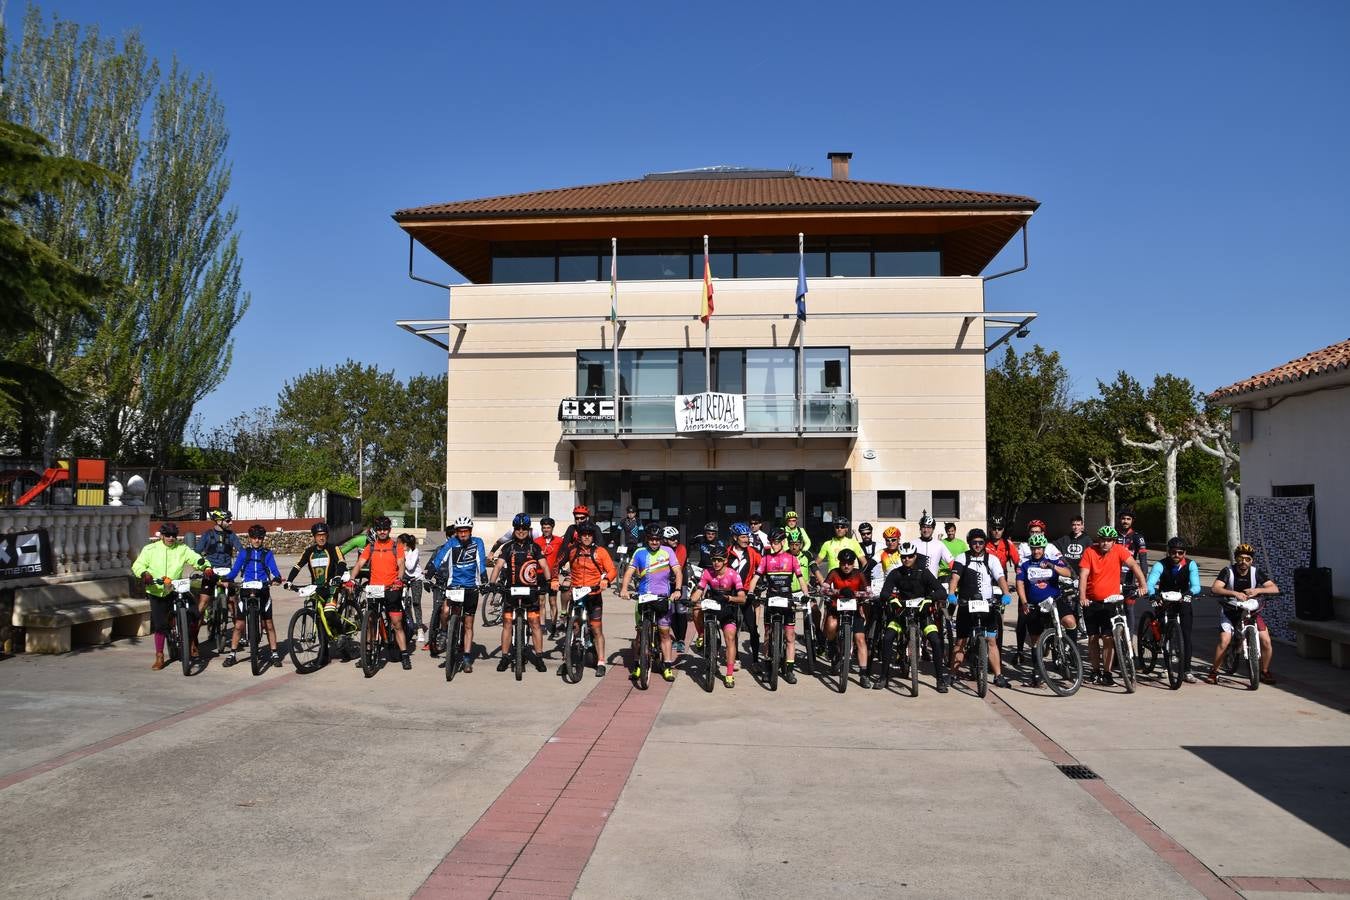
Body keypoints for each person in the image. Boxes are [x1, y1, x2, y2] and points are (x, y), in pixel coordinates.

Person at [131, 522, 213, 670]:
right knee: (160, 625)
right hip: (157, 591)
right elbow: (138, 565)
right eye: (167, 535)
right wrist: (145, 574)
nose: (170, 538)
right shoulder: (150, 549)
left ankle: (192, 640)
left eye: (173, 535)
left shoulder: (182, 548)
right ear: (161, 535)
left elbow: (196, 558)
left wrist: (206, 566)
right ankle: (160, 656)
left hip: (177, 588)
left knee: (194, 613)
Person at [1078, 525, 1149, 686]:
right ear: (1098, 540)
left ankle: (1107, 672)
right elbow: (1083, 575)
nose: (1105, 543)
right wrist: (1082, 596)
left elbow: (1134, 566)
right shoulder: (1090, 551)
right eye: (1102, 540)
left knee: (1108, 638)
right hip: (1091, 601)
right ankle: (1095, 671)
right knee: (1093, 638)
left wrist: (1143, 585)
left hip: (1111, 601)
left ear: (1113, 541)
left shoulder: (1119, 550)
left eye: (1109, 540)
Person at [876, 540, 949, 692]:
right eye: (903, 557)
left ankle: (940, 679)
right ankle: (883, 677)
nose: (906, 559)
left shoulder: (924, 572)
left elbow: (942, 591)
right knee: (888, 638)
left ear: (915, 556)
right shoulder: (896, 573)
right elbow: (884, 592)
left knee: (935, 640)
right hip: (901, 615)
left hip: (923, 615)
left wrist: (930, 599)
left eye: (910, 556)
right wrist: (891, 599)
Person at [344, 516, 412, 670]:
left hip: (392, 588)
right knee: (370, 623)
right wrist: (351, 579)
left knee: (396, 623)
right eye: (379, 529)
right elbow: (359, 563)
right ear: (376, 530)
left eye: (385, 529)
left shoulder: (396, 546)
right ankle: (367, 654)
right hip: (374, 589)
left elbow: (401, 564)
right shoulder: (371, 547)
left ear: (389, 530)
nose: (382, 532)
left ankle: (405, 655)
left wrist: (399, 579)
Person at [948, 529, 1012, 689]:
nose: (977, 545)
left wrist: (1006, 593)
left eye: (981, 542)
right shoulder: (962, 557)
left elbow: (1000, 577)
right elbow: (955, 578)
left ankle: (998, 675)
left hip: (986, 604)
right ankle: (953, 674)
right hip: (966, 603)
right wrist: (951, 594)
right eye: (974, 542)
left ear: (985, 543)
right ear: (970, 543)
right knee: (961, 641)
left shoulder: (992, 559)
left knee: (991, 640)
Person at [1208, 543, 1279, 685]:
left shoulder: (1255, 572)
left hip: (1250, 612)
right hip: (1230, 611)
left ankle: (1264, 671)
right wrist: (1234, 593)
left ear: (1252, 560)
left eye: (1247, 559)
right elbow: (1215, 588)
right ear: (1236, 559)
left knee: (1266, 641)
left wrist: (1258, 591)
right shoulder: (1228, 571)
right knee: (1224, 641)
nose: (1244, 562)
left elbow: (1274, 588)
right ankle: (1214, 671)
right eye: (1240, 559)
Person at [490, 513, 551, 673]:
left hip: (531, 591)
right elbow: (498, 566)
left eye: (524, 528)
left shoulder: (534, 547)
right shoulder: (508, 547)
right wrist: (492, 583)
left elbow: (544, 566)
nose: (521, 531)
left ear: (529, 529)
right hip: (511, 590)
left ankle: (538, 657)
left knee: (535, 623)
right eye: (518, 528)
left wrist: (549, 582)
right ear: (514, 529)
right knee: (507, 623)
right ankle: (505, 657)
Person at [621, 524, 682, 682]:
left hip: (663, 596)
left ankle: (667, 666)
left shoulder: (668, 551)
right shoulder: (639, 552)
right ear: (647, 539)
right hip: (643, 596)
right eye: (651, 539)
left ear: (661, 539)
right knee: (640, 634)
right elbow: (629, 572)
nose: (654, 542)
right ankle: (638, 665)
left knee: (664, 632)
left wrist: (678, 590)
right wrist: (624, 589)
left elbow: (677, 571)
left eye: (657, 539)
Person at [1014, 535, 1076, 687]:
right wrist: (1024, 602)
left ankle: (1069, 648)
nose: (1036, 551)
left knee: (1070, 621)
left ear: (1043, 548)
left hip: (1055, 600)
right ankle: (1036, 672)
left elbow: (1068, 572)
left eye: (1039, 548)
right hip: (1035, 604)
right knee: (1036, 641)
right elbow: (1020, 583)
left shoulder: (1051, 560)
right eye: (1034, 548)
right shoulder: (1025, 563)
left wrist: (1052, 566)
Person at [428, 516, 486, 673]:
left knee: (468, 624)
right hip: (454, 585)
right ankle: (443, 632)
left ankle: (467, 658)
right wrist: (429, 574)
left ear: (470, 531)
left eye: (465, 531)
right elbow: (440, 558)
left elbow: (481, 561)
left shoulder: (477, 542)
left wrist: (485, 579)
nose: (462, 534)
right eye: (459, 531)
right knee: (445, 611)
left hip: (471, 587)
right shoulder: (452, 543)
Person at [221, 524, 284, 668]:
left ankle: (274, 653)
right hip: (246, 588)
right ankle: (232, 654)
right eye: (254, 538)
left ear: (263, 539)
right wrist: (226, 579)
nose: (257, 540)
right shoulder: (244, 553)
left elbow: (274, 570)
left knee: (268, 623)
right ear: (250, 538)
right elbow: (235, 570)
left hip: (263, 588)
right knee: (238, 625)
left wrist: (277, 578)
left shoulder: (267, 553)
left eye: (260, 538)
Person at [746, 529, 803, 684]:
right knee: (767, 635)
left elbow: (801, 578)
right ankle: (767, 667)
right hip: (771, 599)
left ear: (783, 543)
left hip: (787, 599)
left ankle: (790, 670)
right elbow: (756, 577)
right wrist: (751, 591)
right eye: (771, 542)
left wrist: (806, 594)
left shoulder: (791, 559)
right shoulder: (766, 559)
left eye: (776, 542)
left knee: (790, 636)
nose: (773, 545)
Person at [559, 522, 615, 678]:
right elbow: (558, 563)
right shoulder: (572, 551)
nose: (587, 537)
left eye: (590, 535)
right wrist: (554, 580)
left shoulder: (600, 552)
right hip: (577, 593)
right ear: (579, 537)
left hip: (594, 594)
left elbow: (611, 570)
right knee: (573, 629)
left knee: (596, 629)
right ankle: (567, 661)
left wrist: (606, 580)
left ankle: (601, 662)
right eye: (584, 535)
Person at [1146, 537, 1202, 684]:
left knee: (1186, 635)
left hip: (1182, 598)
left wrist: (1190, 593)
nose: (1176, 555)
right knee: (1164, 632)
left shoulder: (1191, 564)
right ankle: (1165, 665)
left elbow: (1196, 586)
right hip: (1164, 598)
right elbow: (1150, 583)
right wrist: (1152, 595)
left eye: (1180, 552)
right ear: (1168, 552)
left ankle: (1187, 670)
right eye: (1173, 552)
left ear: (1185, 553)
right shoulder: (1160, 565)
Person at [690, 547, 746, 688]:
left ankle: (728, 675)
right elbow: (699, 590)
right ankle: (702, 634)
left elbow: (742, 598)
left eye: (719, 560)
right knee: (696, 609)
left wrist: (729, 598)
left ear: (725, 561)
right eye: (714, 560)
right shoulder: (707, 572)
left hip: (728, 607)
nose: (716, 563)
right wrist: (691, 600)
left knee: (730, 638)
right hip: (713, 604)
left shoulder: (734, 575)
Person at [821, 548, 874, 688]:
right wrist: (839, 591)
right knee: (831, 626)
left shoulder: (859, 574)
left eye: (849, 563)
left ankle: (863, 674)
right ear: (839, 563)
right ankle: (832, 645)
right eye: (843, 563)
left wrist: (856, 594)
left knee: (860, 639)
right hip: (837, 608)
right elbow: (823, 589)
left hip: (854, 609)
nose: (846, 566)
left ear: (853, 563)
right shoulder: (834, 572)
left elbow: (869, 592)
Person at [1011, 519, 1061, 667]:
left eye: (1037, 532)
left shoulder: (1050, 547)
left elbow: (1061, 562)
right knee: (1022, 620)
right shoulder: (1024, 547)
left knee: (1054, 621)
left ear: (1043, 533)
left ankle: (1057, 652)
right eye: (1032, 532)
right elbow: (1019, 565)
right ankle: (1020, 651)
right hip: (1027, 589)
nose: (1034, 534)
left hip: (1047, 590)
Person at [283, 522, 346, 626]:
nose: (321, 538)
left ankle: (341, 634)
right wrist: (289, 581)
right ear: (314, 537)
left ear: (327, 536)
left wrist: (338, 576)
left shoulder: (333, 548)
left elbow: (342, 562)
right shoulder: (309, 551)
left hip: (331, 588)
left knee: (329, 614)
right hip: (316, 589)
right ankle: (323, 642)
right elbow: (297, 566)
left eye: (323, 535)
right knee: (318, 619)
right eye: (318, 535)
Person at [194, 509, 241, 641]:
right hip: (210, 572)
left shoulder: (231, 535)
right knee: (202, 604)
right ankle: (193, 636)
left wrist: (242, 562)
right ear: (219, 521)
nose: (231, 522)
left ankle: (240, 634)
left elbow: (241, 550)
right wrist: (202, 562)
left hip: (227, 572)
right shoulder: (207, 535)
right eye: (228, 520)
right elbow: (196, 552)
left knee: (233, 603)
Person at [727, 523, 763, 670]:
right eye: (743, 537)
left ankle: (755, 661)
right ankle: (736, 658)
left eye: (747, 536)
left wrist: (761, 583)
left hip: (747, 594)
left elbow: (763, 568)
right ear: (735, 537)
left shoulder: (753, 553)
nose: (746, 539)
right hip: (731, 595)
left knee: (753, 628)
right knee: (733, 628)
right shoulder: (727, 552)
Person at [1116, 508, 1147, 627]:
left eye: (1128, 519)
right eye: (1123, 518)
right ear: (1119, 519)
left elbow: (1143, 560)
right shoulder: (1113, 535)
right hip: (1113, 576)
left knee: (1129, 608)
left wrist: (1142, 581)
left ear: (1132, 521)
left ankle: (1129, 644)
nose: (1125, 521)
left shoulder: (1138, 537)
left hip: (1130, 577)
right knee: (1112, 608)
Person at [535, 517, 565, 638]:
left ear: (552, 528)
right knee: (541, 601)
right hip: (540, 574)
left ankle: (553, 626)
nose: (546, 530)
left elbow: (564, 555)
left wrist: (563, 567)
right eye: (544, 528)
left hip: (553, 575)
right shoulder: (536, 541)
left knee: (552, 602)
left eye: (548, 528)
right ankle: (542, 625)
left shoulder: (559, 540)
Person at [662, 525, 690, 651]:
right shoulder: (662, 549)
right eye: (672, 539)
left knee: (681, 611)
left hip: (680, 583)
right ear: (665, 539)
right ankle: (676, 638)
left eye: (676, 538)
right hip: (666, 584)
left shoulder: (681, 548)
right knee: (671, 611)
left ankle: (681, 640)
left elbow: (678, 564)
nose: (675, 541)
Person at [814, 517, 863, 585]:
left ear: (846, 529)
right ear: (834, 529)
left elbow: (864, 562)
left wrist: (861, 579)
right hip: (832, 580)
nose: (839, 529)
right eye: (837, 527)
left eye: (842, 527)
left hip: (851, 580)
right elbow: (815, 564)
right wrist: (820, 579)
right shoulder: (827, 544)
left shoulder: (853, 543)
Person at [397, 533, 426, 646]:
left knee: (416, 603)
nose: (397, 545)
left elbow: (409, 566)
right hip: (404, 579)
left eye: (399, 543)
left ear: (405, 544)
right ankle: (409, 626)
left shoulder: (415, 551)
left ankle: (419, 629)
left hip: (416, 579)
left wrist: (402, 556)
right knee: (404, 603)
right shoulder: (400, 551)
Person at [912, 513, 955, 582]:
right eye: (923, 527)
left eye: (929, 527)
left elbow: (951, 563)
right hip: (916, 584)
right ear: (920, 528)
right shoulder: (913, 544)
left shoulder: (939, 544)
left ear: (933, 529)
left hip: (933, 584)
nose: (926, 530)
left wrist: (956, 578)